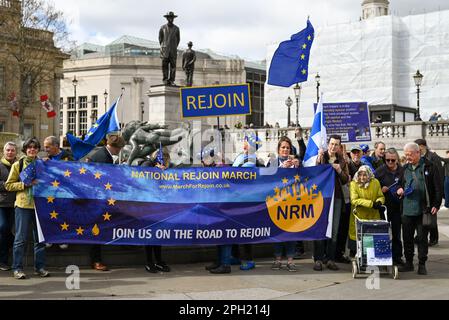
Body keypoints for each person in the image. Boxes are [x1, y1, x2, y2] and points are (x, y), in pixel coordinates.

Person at [5, 138, 49, 279]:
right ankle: (17, 268)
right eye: (29, 148)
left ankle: (39, 267)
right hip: (23, 205)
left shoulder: (42, 164)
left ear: (38, 150)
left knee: (40, 239)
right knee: (20, 239)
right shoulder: (19, 164)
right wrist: (25, 184)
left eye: (35, 148)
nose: (32, 150)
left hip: (40, 205)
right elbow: (9, 185)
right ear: (25, 150)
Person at [398, 143, 442, 275]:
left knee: (422, 238)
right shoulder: (404, 168)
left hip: (424, 210)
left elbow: (437, 187)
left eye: (410, 154)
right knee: (407, 238)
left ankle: (422, 263)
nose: (407, 157)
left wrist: (436, 204)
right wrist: (399, 190)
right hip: (407, 210)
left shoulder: (429, 166)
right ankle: (409, 263)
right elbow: (399, 185)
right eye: (406, 155)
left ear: (418, 153)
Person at [85, 135, 126, 271]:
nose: (119, 151)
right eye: (119, 149)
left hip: (95, 197)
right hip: (97, 198)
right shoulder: (104, 157)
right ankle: (96, 260)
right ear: (116, 147)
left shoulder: (100, 153)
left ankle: (96, 259)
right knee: (96, 229)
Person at [313, 135, 350, 271]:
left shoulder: (342, 160)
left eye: (336, 145)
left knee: (334, 229)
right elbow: (315, 174)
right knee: (320, 227)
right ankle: (318, 258)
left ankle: (330, 258)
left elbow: (346, 179)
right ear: (328, 144)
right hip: (323, 197)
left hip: (337, 197)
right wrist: (318, 159)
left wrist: (339, 170)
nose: (333, 147)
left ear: (339, 147)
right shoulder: (322, 157)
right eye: (332, 144)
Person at [267, 137, 300, 272]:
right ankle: (278, 259)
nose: (285, 150)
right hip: (277, 202)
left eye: (287, 148)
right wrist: (281, 168)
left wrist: (299, 167)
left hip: (292, 201)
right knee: (277, 231)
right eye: (283, 147)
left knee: (291, 232)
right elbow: (266, 178)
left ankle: (290, 261)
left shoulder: (296, 162)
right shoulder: (273, 162)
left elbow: (307, 177)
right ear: (278, 149)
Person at [232, 134, 264, 271]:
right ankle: (235, 256)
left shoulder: (251, 158)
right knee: (233, 228)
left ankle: (248, 259)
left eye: (247, 141)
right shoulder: (241, 156)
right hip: (236, 197)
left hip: (246, 199)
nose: (244, 143)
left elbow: (241, 175)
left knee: (245, 229)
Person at [141, 147, 171, 273]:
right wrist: (155, 171)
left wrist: (165, 172)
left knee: (158, 235)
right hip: (148, 205)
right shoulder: (147, 164)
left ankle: (158, 260)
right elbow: (141, 178)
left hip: (159, 204)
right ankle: (149, 262)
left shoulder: (165, 165)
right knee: (149, 235)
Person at [374, 148, 405, 266]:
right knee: (382, 233)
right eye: (388, 160)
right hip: (384, 207)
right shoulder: (380, 171)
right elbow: (373, 185)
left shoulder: (402, 171)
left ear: (397, 159)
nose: (390, 163)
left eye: (393, 160)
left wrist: (402, 189)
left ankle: (397, 257)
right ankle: (382, 256)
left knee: (397, 233)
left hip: (398, 207)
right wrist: (380, 189)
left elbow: (407, 184)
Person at [43, 136, 73, 250]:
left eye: (47, 147)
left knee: (64, 216)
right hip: (50, 194)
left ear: (56, 146)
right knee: (50, 216)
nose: (45, 149)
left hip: (65, 193)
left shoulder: (69, 157)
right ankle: (50, 238)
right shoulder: (47, 159)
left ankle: (63, 239)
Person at [348, 166, 385, 257]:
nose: (362, 177)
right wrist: (371, 204)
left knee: (371, 238)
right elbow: (354, 200)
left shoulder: (375, 182)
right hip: (359, 215)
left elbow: (380, 195)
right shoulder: (354, 183)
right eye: (360, 175)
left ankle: (371, 259)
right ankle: (357, 258)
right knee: (357, 236)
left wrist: (379, 201)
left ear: (369, 175)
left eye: (365, 175)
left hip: (373, 215)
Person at [415, 139, 444, 246]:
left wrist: (438, 195)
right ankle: (421, 237)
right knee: (425, 218)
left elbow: (439, 176)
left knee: (432, 217)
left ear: (422, 146)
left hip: (432, 192)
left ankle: (433, 238)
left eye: (418, 147)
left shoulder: (433, 157)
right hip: (424, 193)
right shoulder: (420, 157)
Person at [0, 142, 17, 271]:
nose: (10, 152)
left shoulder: (19, 165)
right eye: (8, 150)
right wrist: (8, 185)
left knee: (13, 232)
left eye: (12, 150)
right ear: (4, 151)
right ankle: (3, 260)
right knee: (3, 227)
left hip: (16, 203)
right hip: (2, 203)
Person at [159, 11, 180, 86]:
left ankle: (171, 80)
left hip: (173, 50)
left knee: (173, 66)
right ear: (167, 18)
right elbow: (160, 39)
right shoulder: (162, 28)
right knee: (164, 66)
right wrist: (164, 47)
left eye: (172, 17)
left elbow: (178, 40)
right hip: (165, 50)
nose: (171, 19)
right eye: (169, 17)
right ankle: (165, 79)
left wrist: (173, 47)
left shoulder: (177, 28)